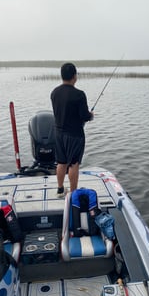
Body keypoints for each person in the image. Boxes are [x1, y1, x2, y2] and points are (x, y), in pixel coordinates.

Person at [51, 63, 94, 198]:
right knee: (74, 163)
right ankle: (73, 193)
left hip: (58, 133)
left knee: (61, 162)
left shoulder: (54, 93)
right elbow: (84, 116)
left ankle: (59, 189)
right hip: (75, 135)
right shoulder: (79, 95)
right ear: (74, 76)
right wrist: (90, 115)